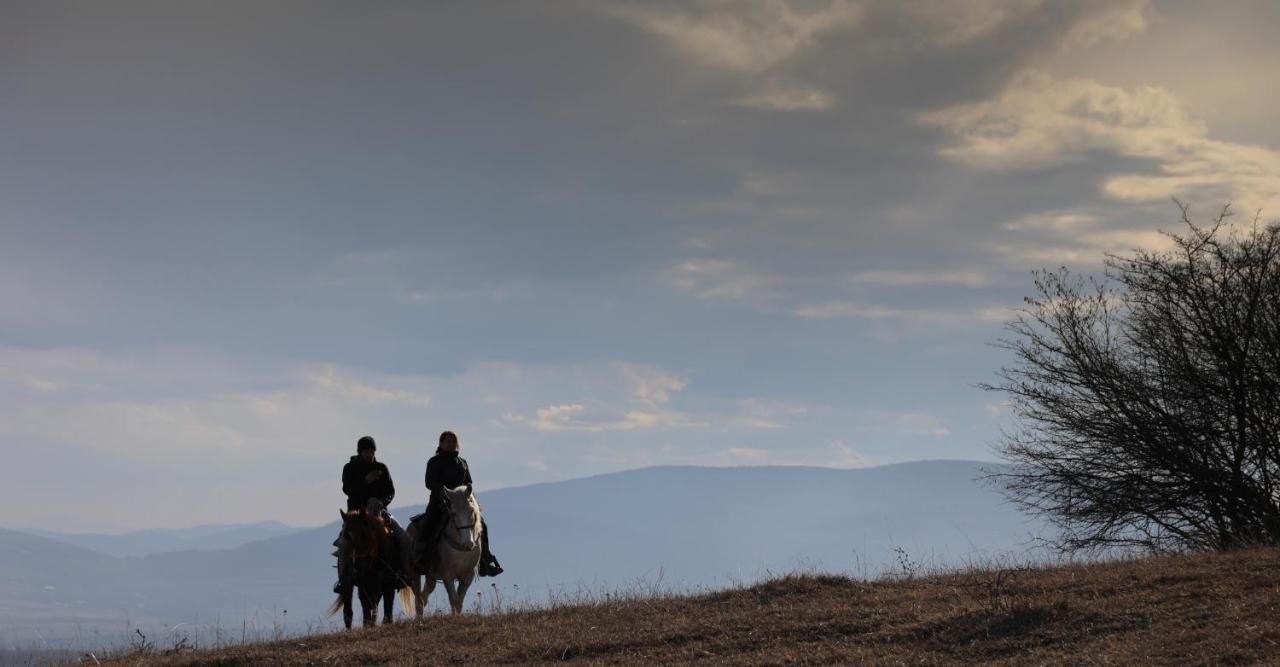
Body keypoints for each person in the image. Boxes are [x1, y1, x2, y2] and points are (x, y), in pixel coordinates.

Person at [418, 430, 503, 576]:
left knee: (482, 525)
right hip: (440, 501)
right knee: (429, 524)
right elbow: (429, 482)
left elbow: (468, 481)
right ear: (441, 444)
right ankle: (423, 559)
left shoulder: (462, 462)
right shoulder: (434, 462)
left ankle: (485, 560)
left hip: (462, 503)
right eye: (447, 441)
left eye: (453, 441)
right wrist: (446, 492)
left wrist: (464, 493)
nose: (451, 444)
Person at [333, 435, 408, 593]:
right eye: (366, 451)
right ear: (359, 452)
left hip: (378, 512)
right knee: (343, 543)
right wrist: (365, 482)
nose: (369, 453)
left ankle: (402, 573)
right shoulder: (350, 468)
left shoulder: (382, 467)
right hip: (355, 516)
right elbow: (347, 489)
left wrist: (381, 501)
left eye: (371, 450)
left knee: (402, 536)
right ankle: (343, 579)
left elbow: (390, 491)